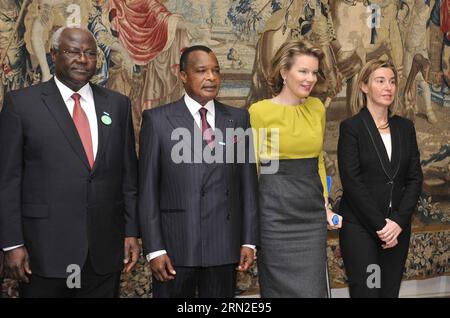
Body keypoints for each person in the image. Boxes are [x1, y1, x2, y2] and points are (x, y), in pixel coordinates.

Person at [0, 26, 140, 298]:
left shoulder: (118, 105)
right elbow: (7, 180)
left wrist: (131, 231)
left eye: (90, 53)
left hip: (102, 252)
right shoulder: (22, 105)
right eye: (73, 52)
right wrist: (12, 243)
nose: (83, 59)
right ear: (54, 55)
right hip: (43, 251)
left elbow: (128, 177)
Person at [138, 45, 258, 298]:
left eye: (216, 71)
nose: (211, 77)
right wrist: (155, 249)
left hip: (223, 247)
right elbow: (147, 191)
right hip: (174, 248)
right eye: (202, 70)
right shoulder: (157, 120)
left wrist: (248, 240)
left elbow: (248, 185)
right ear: (182, 75)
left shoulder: (237, 119)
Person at [248, 39, 342, 298]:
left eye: (314, 72)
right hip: (274, 216)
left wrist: (325, 204)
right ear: (283, 72)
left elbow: (318, 160)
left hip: (310, 216)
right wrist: (251, 222)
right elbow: (253, 168)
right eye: (303, 71)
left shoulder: (316, 109)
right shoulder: (259, 112)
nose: (310, 78)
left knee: (313, 290)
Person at [337, 58, 423, 297]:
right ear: (364, 86)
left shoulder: (405, 128)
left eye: (393, 82)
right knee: (368, 292)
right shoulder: (351, 128)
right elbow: (352, 182)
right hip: (361, 229)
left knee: (388, 292)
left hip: (397, 229)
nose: (388, 87)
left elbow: (415, 179)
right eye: (380, 81)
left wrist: (397, 222)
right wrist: (382, 225)